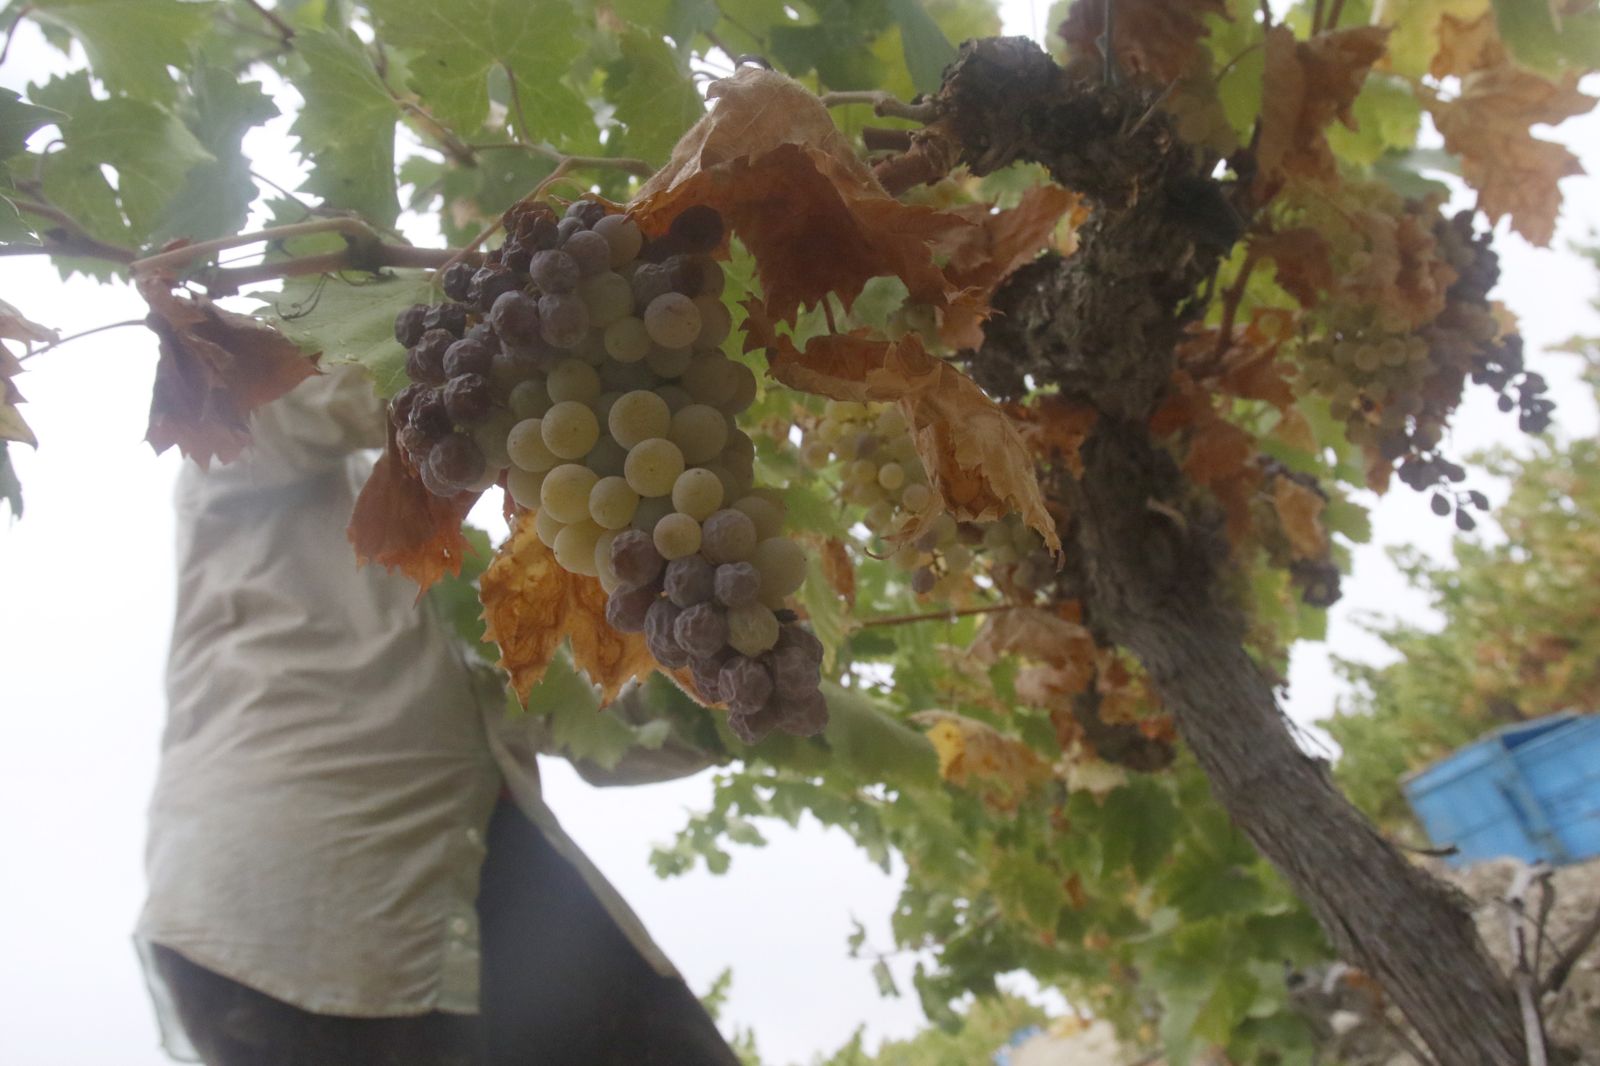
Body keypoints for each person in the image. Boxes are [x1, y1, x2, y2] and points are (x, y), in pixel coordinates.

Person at [136, 367, 742, 1065]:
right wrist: (516, 355)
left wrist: (730, 671)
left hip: (496, 898)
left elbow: (607, 732)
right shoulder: (232, 470)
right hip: (289, 919)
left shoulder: (460, 588)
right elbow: (294, 401)